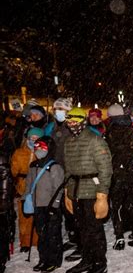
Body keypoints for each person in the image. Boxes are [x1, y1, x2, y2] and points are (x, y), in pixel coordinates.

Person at [63, 107, 112, 273]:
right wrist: (67, 192)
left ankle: (99, 262)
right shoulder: (68, 142)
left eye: (75, 121)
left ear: (83, 122)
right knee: (81, 228)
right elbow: (68, 169)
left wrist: (102, 195)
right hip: (75, 190)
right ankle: (87, 258)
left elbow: (105, 169)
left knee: (94, 228)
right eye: (69, 121)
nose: (72, 124)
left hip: (92, 189)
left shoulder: (95, 140)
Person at [106, 104, 133, 249]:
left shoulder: (112, 132)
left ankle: (119, 238)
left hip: (120, 172)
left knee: (116, 205)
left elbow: (111, 154)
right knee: (132, 203)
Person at [44, 97, 80, 260]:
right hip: (57, 174)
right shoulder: (52, 127)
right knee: (65, 210)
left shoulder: (73, 127)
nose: (58, 112)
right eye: (56, 109)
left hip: (71, 175)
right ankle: (73, 238)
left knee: (75, 211)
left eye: (62, 110)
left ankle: (82, 244)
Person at [23, 136, 64, 273]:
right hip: (37, 205)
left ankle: (54, 260)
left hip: (50, 205)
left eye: (42, 147)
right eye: (36, 147)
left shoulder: (54, 166)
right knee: (41, 234)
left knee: (52, 234)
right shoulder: (33, 166)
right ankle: (43, 258)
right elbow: (29, 184)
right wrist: (26, 199)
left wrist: (55, 205)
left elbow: (58, 188)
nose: (38, 150)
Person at [10, 127, 42, 252]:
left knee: (38, 214)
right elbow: (13, 171)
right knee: (25, 215)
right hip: (23, 186)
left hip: (38, 185)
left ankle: (37, 239)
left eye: (36, 138)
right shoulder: (19, 152)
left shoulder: (42, 152)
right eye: (31, 138)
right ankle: (25, 241)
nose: (33, 140)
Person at [0, 153, 15, 273]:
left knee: (2, 233)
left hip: (1, 205)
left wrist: (4, 202)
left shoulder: (2, 159)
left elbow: (5, 182)